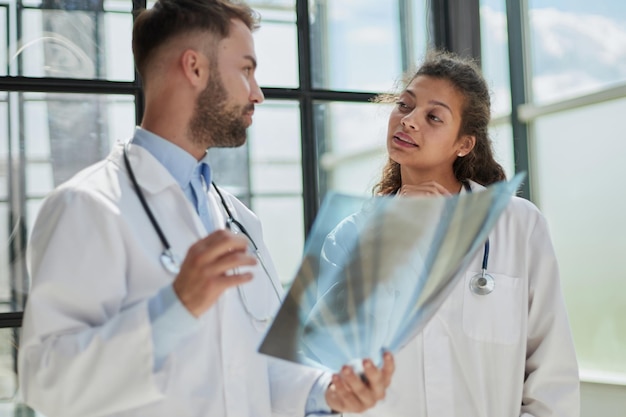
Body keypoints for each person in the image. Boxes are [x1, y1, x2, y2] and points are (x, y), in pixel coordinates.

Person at [17, 1, 394, 416]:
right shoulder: (87, 205)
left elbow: (259, 365)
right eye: (246, 69)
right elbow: (46, 383)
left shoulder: (238, 219)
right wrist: (175, 307)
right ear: (195, 68)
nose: (258, 93)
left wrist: (326, 390)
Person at [317, 50, 580, 416]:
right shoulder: (351, 234)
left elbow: (552, 378)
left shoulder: (516, 224)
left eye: (433, 116)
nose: (408, 121)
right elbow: (323, 363)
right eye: (404, 106)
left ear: (464, 143)